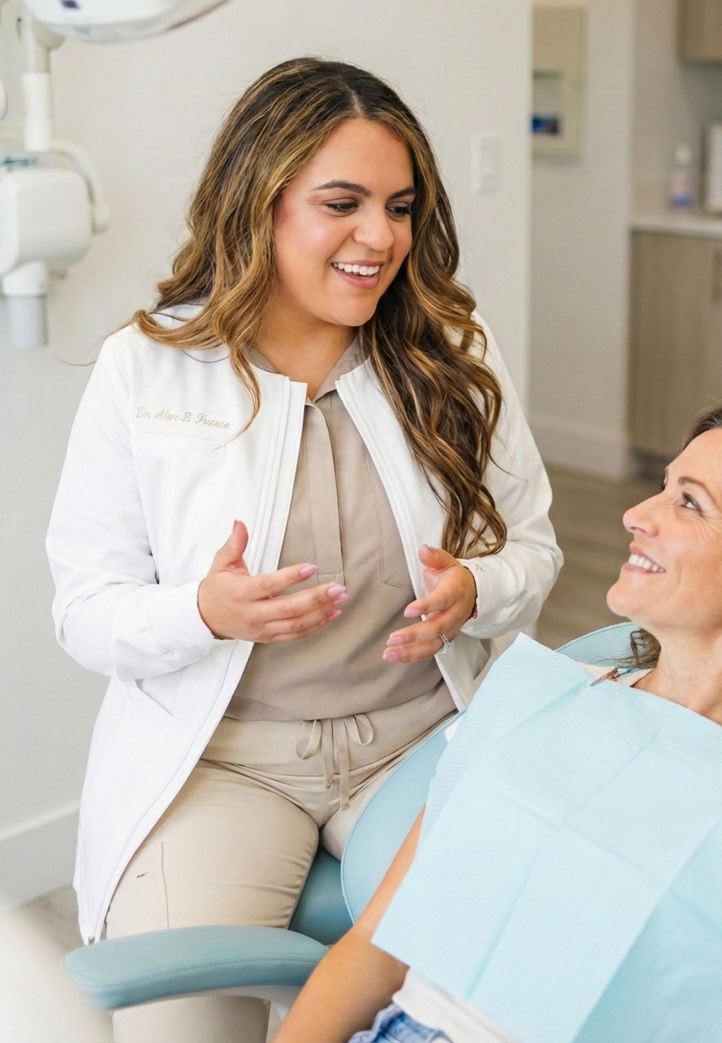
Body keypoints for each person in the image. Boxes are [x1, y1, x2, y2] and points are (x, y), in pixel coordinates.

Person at [46, 58, 562, 1043]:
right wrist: (203, 610)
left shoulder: (451, 353)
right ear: (261, 204)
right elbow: (84, 609)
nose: (382, 237)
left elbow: (529, 545)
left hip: (417, 738)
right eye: (343, 203)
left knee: (481, 997)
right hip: (227, 758)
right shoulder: (148, 366)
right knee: (171, 1016)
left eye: (400, 206)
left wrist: (477, 590)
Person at [273, 404, 722, 1043]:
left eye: (689, 502)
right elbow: (373, 948)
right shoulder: (537, 704)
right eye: (662, 489)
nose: (636, 516)